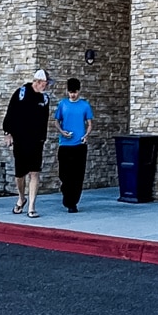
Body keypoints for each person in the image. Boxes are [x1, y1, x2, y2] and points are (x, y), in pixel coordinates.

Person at [2, 69, 50, 217]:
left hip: (37, 141)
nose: (46, 86)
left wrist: (43, 138)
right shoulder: (21, 93)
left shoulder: (45, 99)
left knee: (34, 173)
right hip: (20, 139)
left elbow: (45, 121)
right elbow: (10, 113)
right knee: (20, 175)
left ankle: (31, 207)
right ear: (37, 82)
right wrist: (8, 133)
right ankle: (21, 198)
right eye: (45, 83)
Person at [54, 78, 94, 213]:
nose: (73, 95)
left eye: (75, 92)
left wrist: (86, 135)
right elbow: (56, 122)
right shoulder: (62, 104)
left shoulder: (85, 105)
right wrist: (62, 132)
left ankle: (72, 203)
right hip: (65, 144)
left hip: (79, 145)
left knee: (77, 175)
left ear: (79, 91)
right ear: (67, 91)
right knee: (64, 174)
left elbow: (89, 124)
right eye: (70, 92)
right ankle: (66, 191)